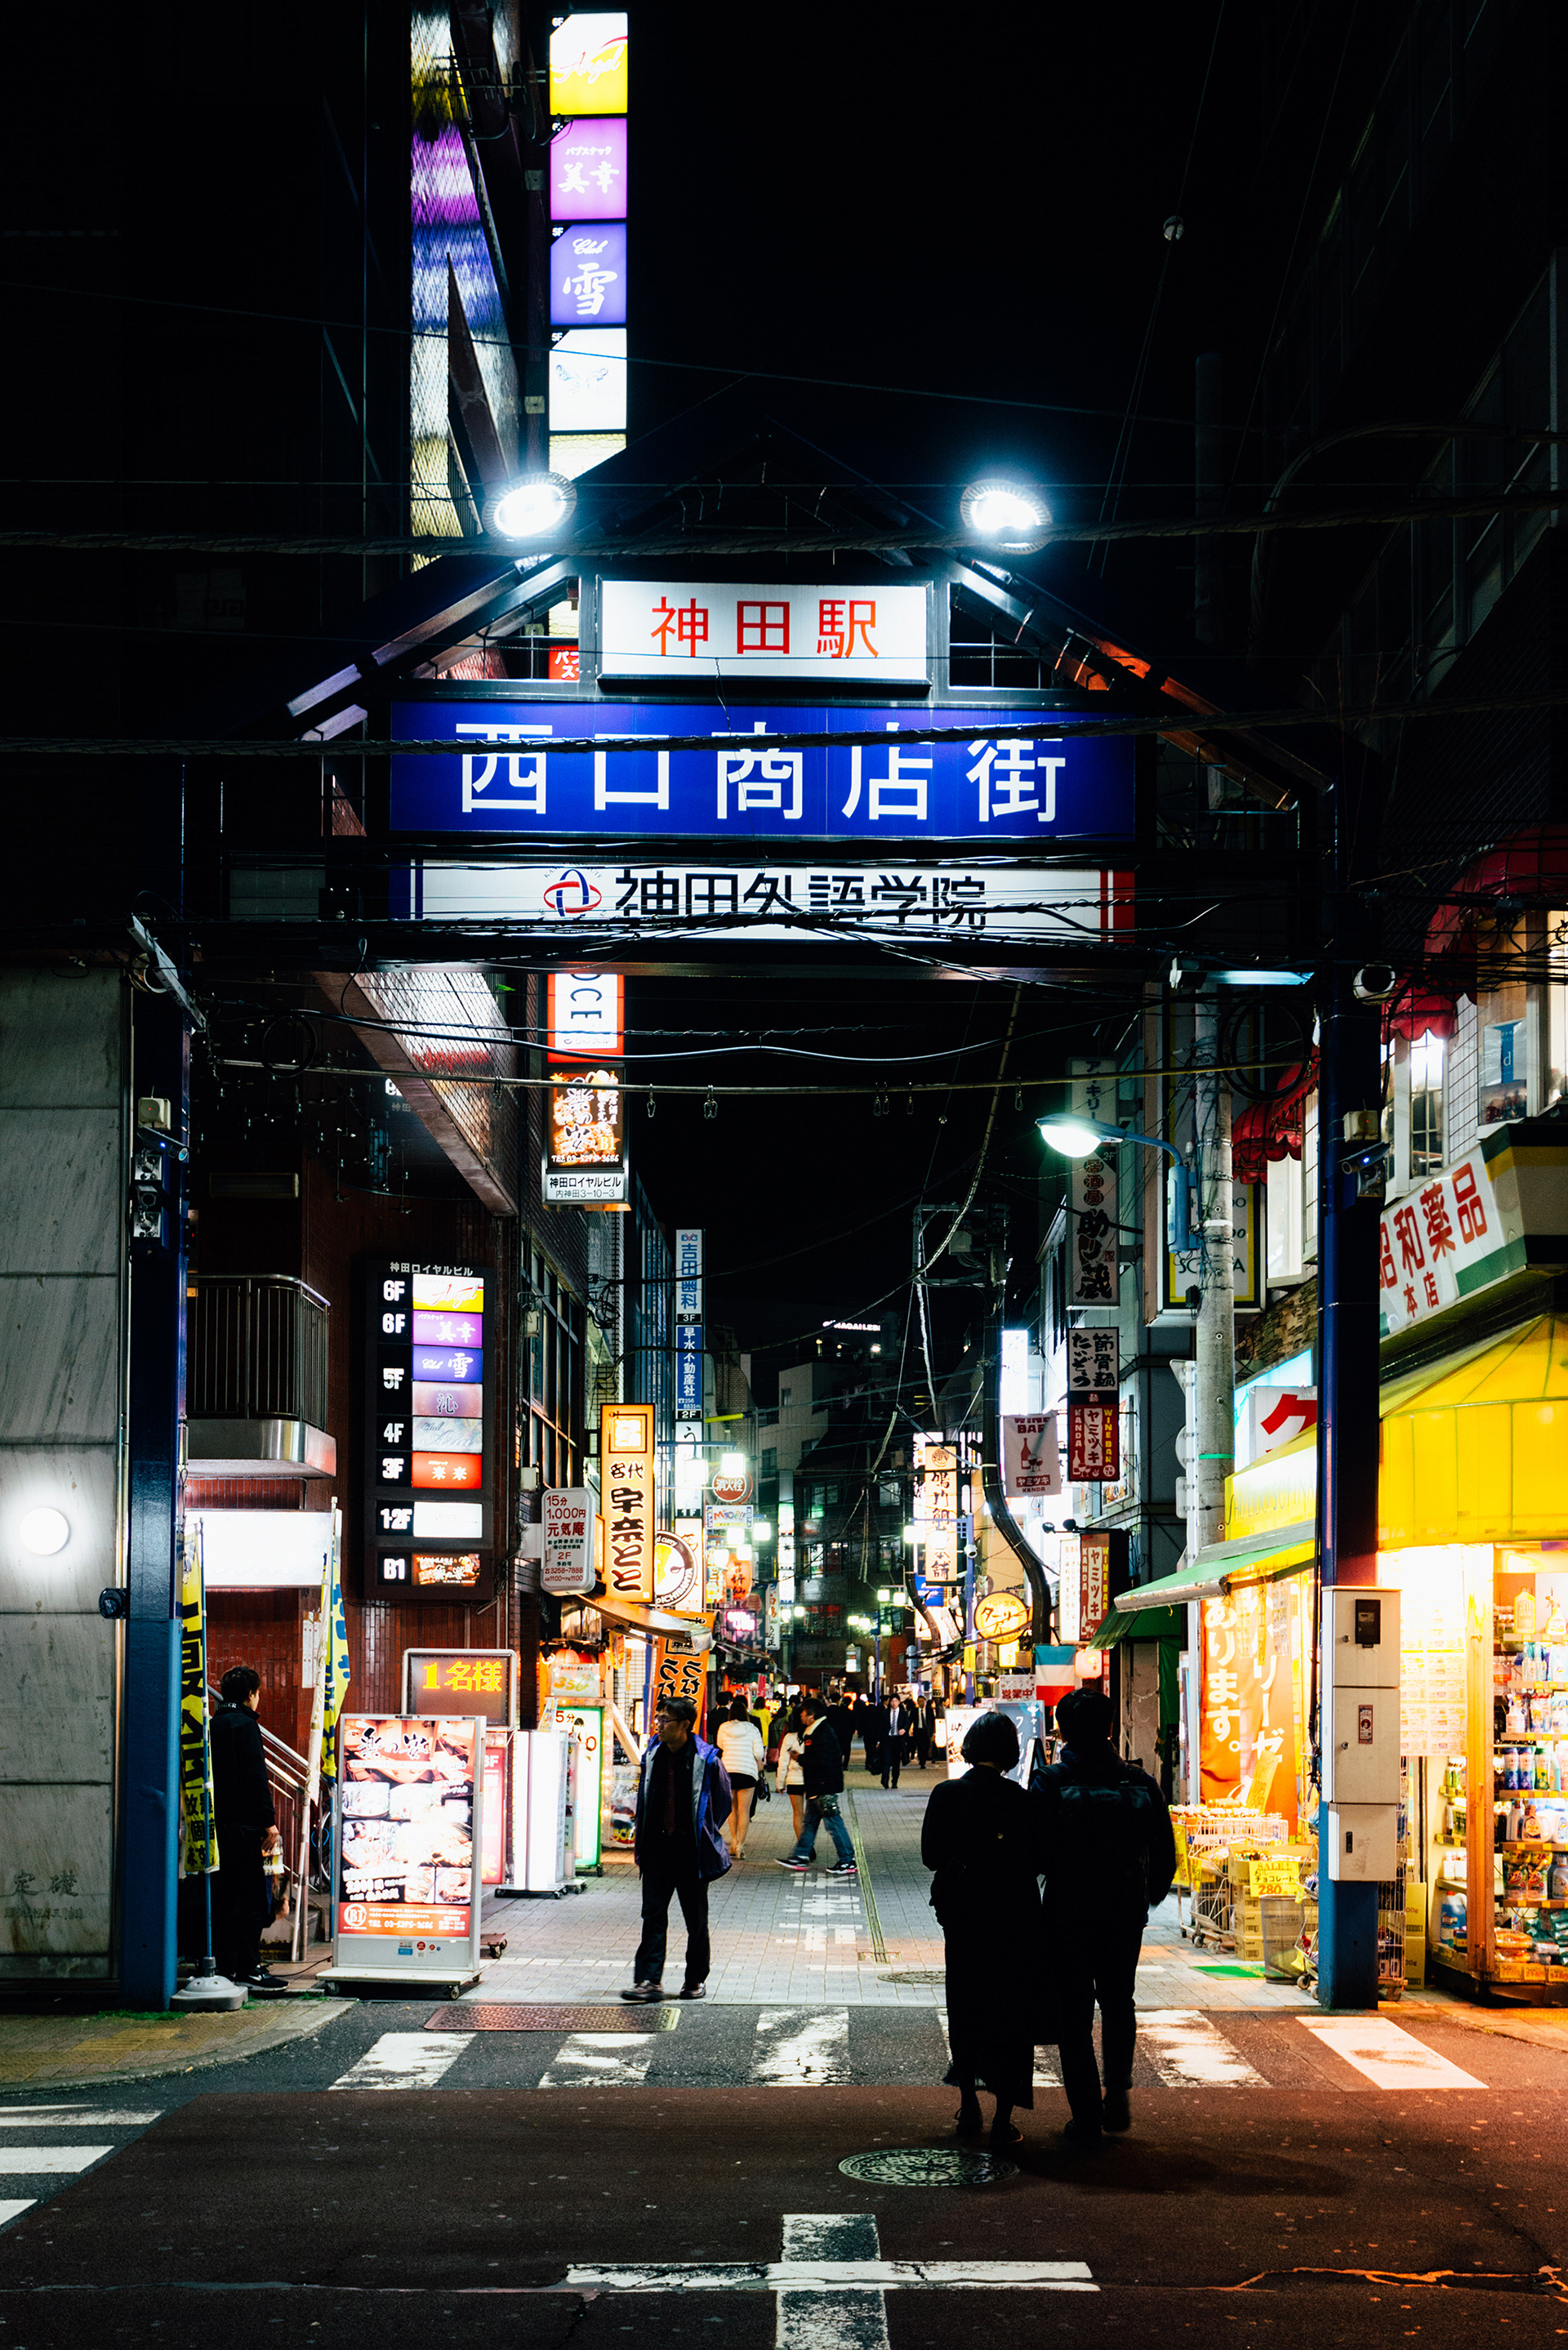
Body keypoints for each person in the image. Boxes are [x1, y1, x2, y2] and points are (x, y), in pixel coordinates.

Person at [1035, 1684, 1176, 2146]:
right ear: (1112, 1727)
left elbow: (1031, 1852)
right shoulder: (1140, 1783)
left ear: (1062, 1730)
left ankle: (1085, 2114)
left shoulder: (1051, 1782)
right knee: (1119, 2001)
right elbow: (1165, 1854)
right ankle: (1117, 2088)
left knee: (1073, 2013)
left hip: (1067, 1910)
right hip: (1122, 1909)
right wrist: (1145, 1898)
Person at [921, 1710, 1045, 2150]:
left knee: (966, 2002)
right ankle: (1004, 2116)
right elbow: (1040, 1860)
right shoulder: (1022, 1799)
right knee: (1011, 2010)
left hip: (966, 1916)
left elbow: (931, 1856)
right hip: (1014, 1916)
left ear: (969, 1747)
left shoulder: (947, 1794)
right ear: (1010, 1752)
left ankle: (968, 2103)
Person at [621, 1697, 733, 2003]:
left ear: (684, 1725)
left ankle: (695, 1980)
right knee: (653, 1916)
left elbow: (723, 1803)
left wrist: (705, 1832)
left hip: (691, 1853)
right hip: (657, 1849)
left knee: (696, 1921)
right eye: (657, 1718)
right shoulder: (653, 1754)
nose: (658, 1724)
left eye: (665, 1720)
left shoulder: (707, 1759)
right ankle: (649, 1981)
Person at [209, 1665, 283, 1993]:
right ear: (252, 1694)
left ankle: (227, 1967)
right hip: (245, 1830)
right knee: (253, 1899)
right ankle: (251, 1968)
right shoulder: (245, 1726)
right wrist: (269, 1821)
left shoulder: (212, 1725)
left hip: (216, 1829)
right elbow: (256, 1777)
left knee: (225, 1900)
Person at [777, 1692, 857, 1875]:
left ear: (812, 1716)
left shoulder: (820, 1733)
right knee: (810, 1822)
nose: (801, 1716)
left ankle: (847, 1860)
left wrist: (800, 1758)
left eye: (803, 1713)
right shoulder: (818, 1731)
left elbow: (821, 1760)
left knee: (833, 1823)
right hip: (818, 1786)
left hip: (823, 1786)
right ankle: (800, 1855)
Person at [715, 1693, 766, 1862]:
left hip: (728, 1771)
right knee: (744, 1811)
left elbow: (720, 1745)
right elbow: (758, 1753)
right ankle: (741, 1846)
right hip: (747, 1772)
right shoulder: (752, 1729)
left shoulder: (723, 1727)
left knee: (732, 1809)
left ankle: (733, 1841)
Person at [775, 1702, 808, 1839]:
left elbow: (783, 1763)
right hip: (811, 1780)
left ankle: (803, 1845)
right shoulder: (812, 1735)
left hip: (794, 1780)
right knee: (810, 1815)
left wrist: (780, 1783)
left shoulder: (789, 1738)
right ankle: (808, 1844)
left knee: (798, 1814)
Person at [881, 1689, 912, 1788]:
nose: (894, 1703)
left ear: (899, 1702)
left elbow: (907, 1724)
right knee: (886, 1761)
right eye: (892, 1701)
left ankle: (894, 1781)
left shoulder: (903, 1713)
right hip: (888, 1740)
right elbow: (881, 1727)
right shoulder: (885, 1713)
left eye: (895, 1701)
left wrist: (904, 1729)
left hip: (898, 1741)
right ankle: (885, 1781)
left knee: (896, 1762)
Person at [862, 1692, 889, 1777]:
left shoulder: (864, 1709)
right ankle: (873, 1762)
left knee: (868, 1748)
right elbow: (880, 1723)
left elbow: (861, 1722)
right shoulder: (878, 1710)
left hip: (867, 1733)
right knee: (874, 1748)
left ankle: (868, 1762)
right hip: (876, 1733)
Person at [915, 1693, 938, 1768]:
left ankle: (924, 1759)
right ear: (917, 1702)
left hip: (927, 1731)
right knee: (920, 1746)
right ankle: (922, 1761)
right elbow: (911, 1721)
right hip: (918, 1731)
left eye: (923, 1701)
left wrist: (933, 1731)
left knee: (926, 1746)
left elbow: (932, 1721)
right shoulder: (915, 1711)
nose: (921, 1703)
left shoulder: (929, 1710)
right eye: (920, 1701)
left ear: (925, 1702)